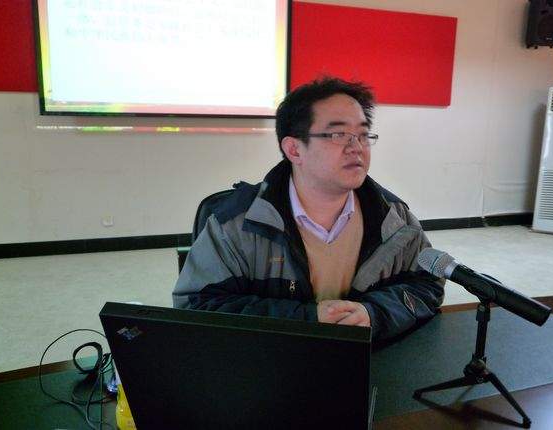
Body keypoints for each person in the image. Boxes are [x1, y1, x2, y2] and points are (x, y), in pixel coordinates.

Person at [173, 76, 445, 340]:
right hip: (274, 362)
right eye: (339, 134)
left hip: (373, 361)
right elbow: (198, 305)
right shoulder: (235, 224)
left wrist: (374, 314)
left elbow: (428, 285)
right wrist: (307, 320)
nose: (357, 147)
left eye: (363, 135)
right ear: (294, 149)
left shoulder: (394, 219)